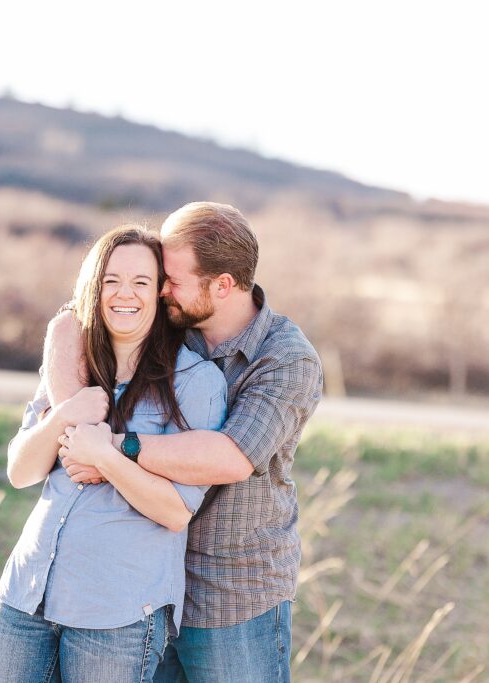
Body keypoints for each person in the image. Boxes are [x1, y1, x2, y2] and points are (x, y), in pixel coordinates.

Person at [49, 202, 323, 683]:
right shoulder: (173, 321)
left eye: (171, 280)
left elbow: (231, 457)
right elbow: (82, 316)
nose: (160, 290)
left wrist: (110, 447)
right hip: (145, 582)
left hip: (230, 593)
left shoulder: (285, 359)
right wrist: (64, 360)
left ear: (223, 285)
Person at [0, 225, 228, 683]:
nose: (123, 295)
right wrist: (62, 417)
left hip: (117, 613)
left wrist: (107, 457)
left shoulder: (196, 382)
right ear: (94, 287)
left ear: (160, 293)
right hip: (28, 594)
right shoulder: (73, 366)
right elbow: (21, 471)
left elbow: (176, 512)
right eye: (111, 281)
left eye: (140, 282)